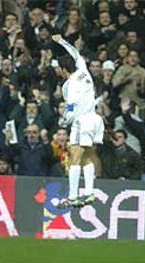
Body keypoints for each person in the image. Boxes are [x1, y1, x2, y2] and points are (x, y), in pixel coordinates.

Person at [51, 34, 104, 208]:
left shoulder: (71, 84)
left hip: (82, 121)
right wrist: (62, 42)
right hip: (95, 119)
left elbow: (71, 108)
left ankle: (72, 197)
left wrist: (64, 121)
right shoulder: (83, 70)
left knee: (74, 157)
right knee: (87, 157)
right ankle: (89, 193)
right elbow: (76, 53)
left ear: (63, 69)